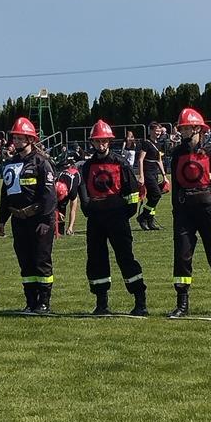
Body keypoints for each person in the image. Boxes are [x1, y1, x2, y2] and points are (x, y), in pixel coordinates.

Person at [168, 107, 211, 317]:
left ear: (198, 128)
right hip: (184, 211)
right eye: (181, 128)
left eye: (186, 128)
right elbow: (176, 185)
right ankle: (182, 304)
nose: (183, 132)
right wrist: (176, 211)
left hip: (207, 209)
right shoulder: (177, 153)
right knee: (182, 255)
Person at [79, 120, 148, 316]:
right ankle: (101, 304)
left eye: (104, 141)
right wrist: (89, 209)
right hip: (96, 220)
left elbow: (132, 194)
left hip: (118, 219)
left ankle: (140, 302)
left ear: (109, 141)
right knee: (96, 260)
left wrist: (124, 214)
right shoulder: (88, 166)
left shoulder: (120, 163)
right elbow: (83, 192)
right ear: (92, 142)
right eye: (97, 141)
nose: (101, 144)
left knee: (125, 258)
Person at [0, 117, 57, 314]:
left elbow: (49, 195)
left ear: (31, 139)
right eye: (15, 138)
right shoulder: (10, 164)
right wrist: (2, 219)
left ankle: (44, 302)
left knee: (41, 260)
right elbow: (5, 193)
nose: (16, 142)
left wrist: (46, 220)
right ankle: (30, 301)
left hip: (38, 219)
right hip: (18, 220)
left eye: (20, 138)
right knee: (25, 261)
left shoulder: (42, 163)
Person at [136, 120, 168, 230]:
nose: (158, 133)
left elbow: (159, 160)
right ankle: (143, 217)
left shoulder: (158, 144)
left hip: (155, 172)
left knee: (151, 197)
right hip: (147, 172)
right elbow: (140, 159)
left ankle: (150, 221)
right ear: (150, 131)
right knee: (156, 195)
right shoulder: (146, 143)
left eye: (159, 131)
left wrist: (164, 176)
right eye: (156, 131)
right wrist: (141, 176)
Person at [55, 157, 80, 236]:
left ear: (66, 193)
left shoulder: (72, 190)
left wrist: (70, 227)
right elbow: (51, 202)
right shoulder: (55, 183)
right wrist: (57, 211)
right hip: (63, 183)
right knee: (61, 206)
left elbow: (73, 209)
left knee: (85, 202)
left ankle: (69, 228)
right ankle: (60, 230)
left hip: (78, 178)